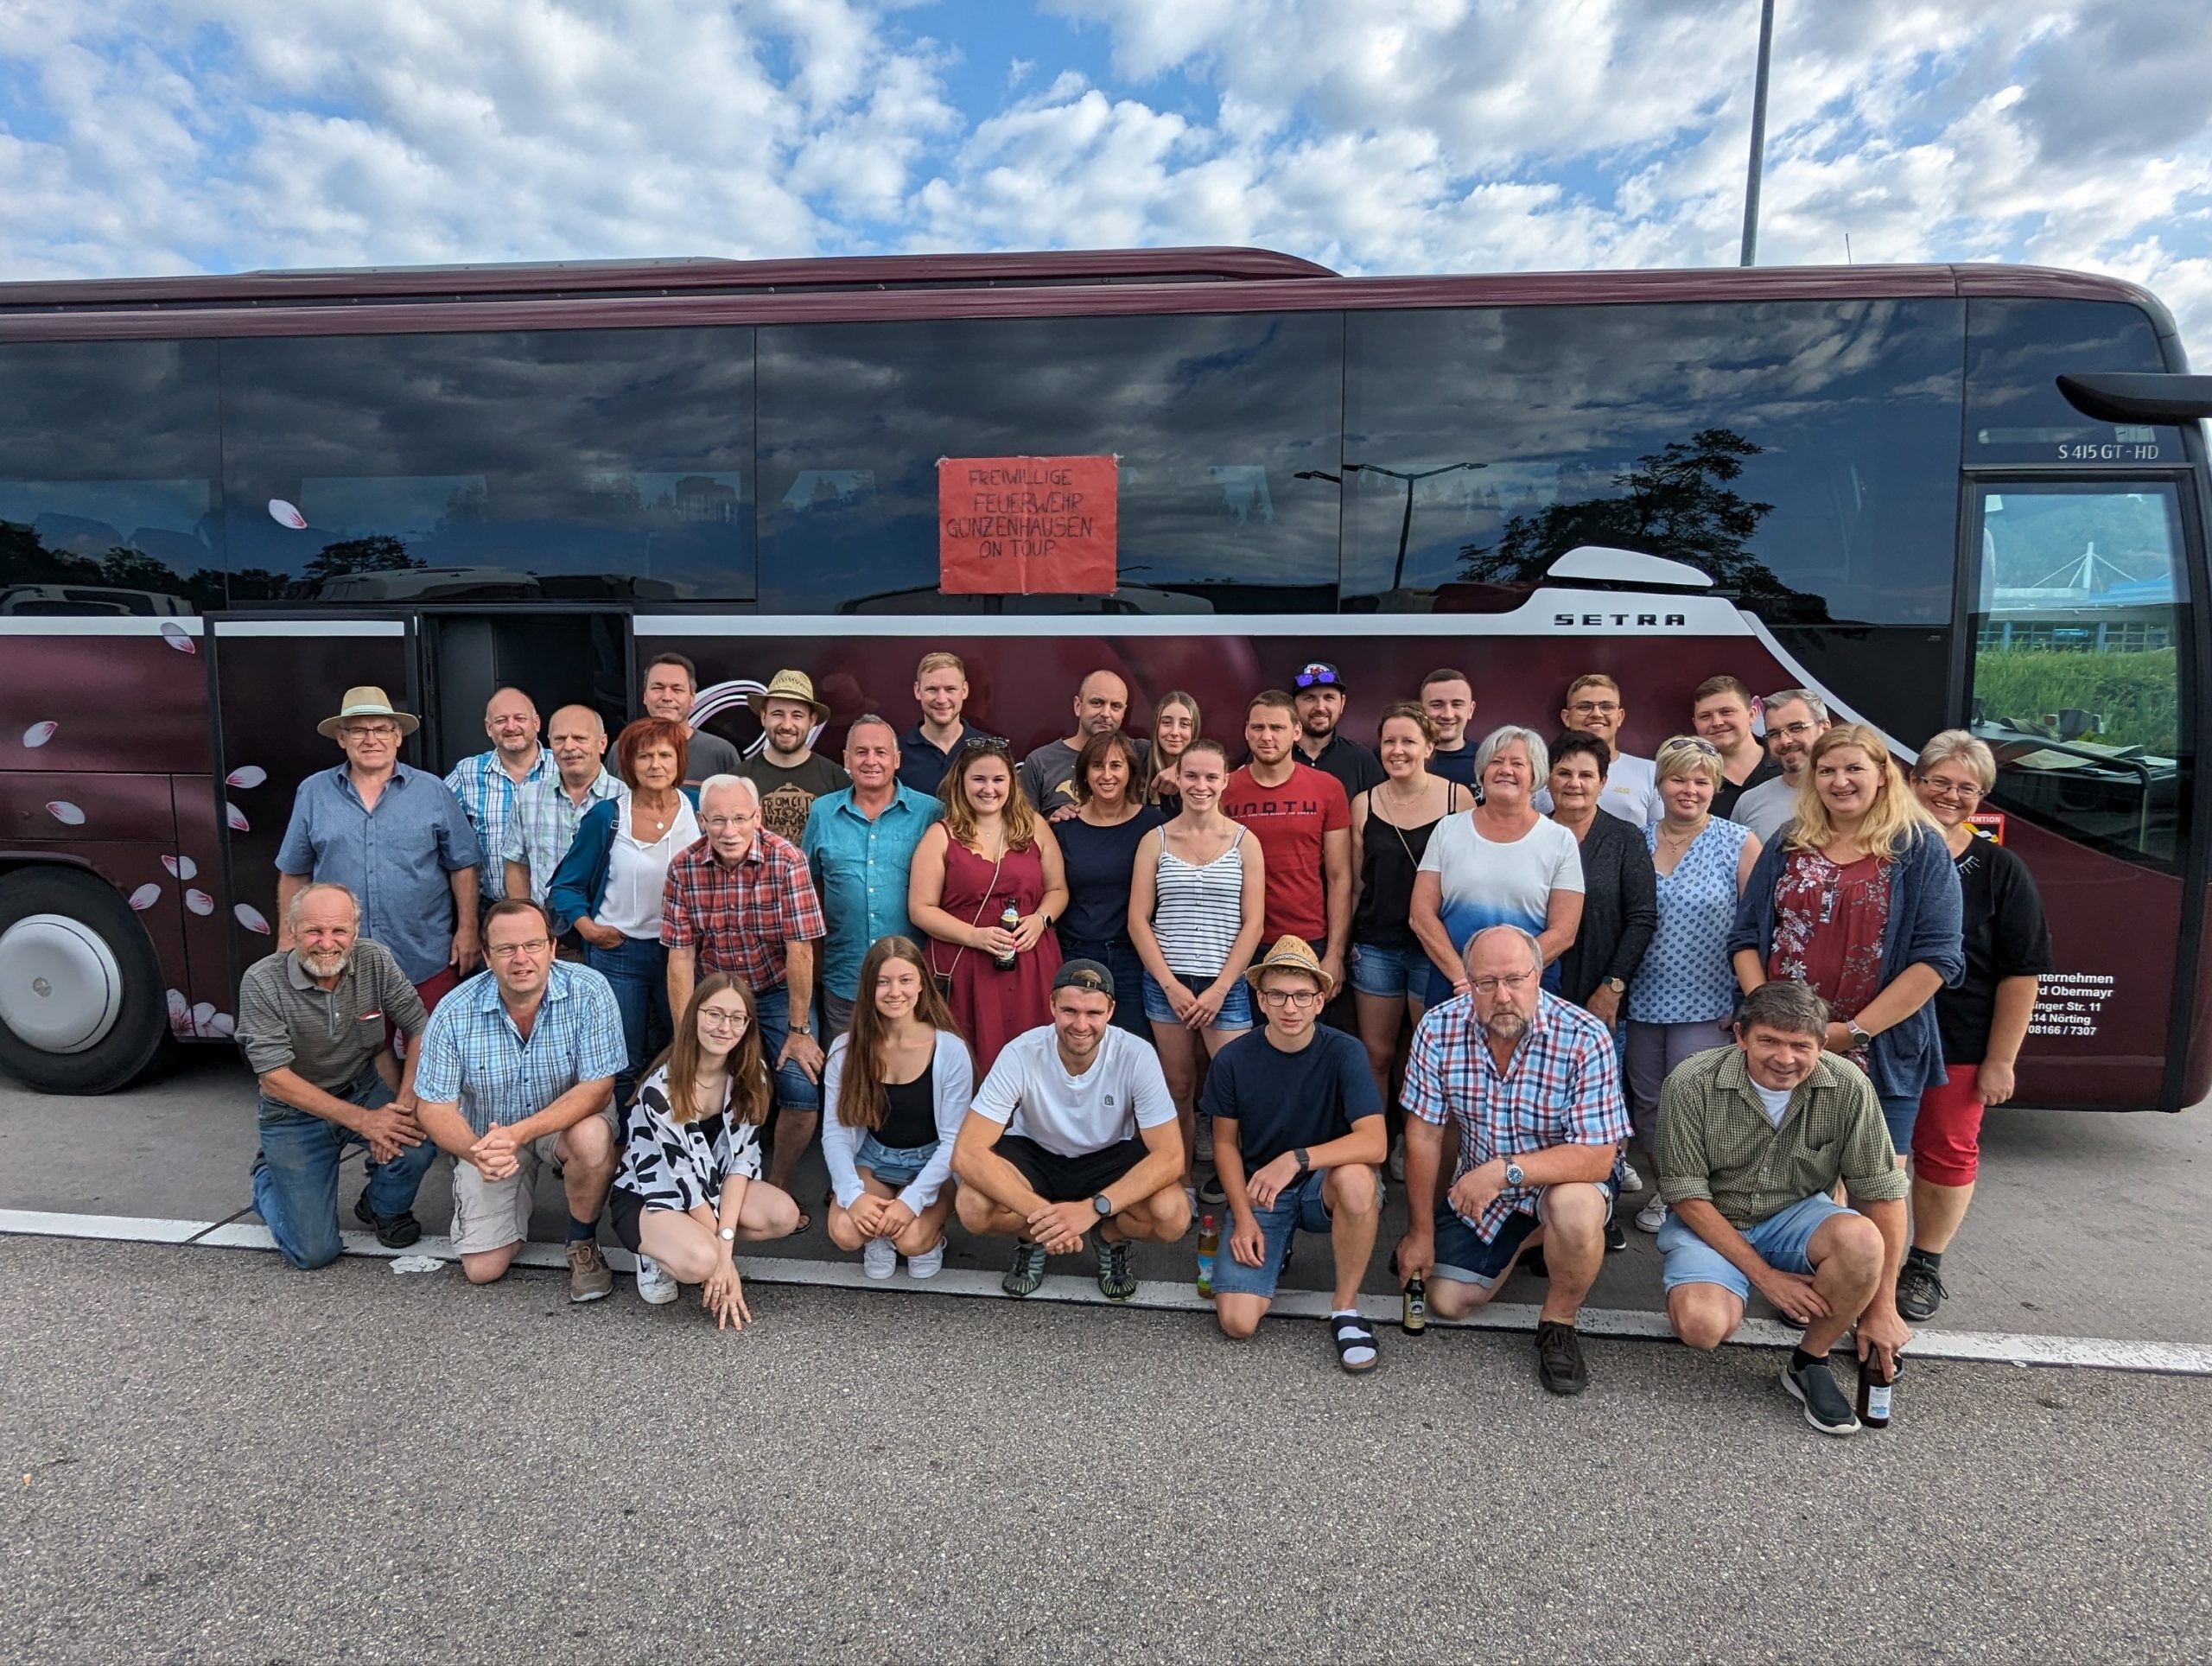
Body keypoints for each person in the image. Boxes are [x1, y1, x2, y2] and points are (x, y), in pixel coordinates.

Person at [1655, 978, 1912, 1437]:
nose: (1784, 1058)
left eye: (1800, 1045)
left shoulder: (1849, 1086)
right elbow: (1686, 1195)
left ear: (1822, 1044)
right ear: (1740, 1036)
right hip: (1713, 1216)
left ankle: (1809, 1361)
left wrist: (1881, 1308)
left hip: (1797, 1214)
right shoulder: (1691, 1081)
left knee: (1862, 1241)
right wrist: (1767, 1278)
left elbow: (1882, 1193)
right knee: (1702, 1327)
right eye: (1769, 1041)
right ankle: (1730, 1282)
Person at [1394, 925, 1629, 1396]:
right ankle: (1533, 1238)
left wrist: (1505, 1172)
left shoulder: (1585, 1036)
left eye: (1515, 980)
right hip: (1485, 1181)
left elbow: (1598, 1158)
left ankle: (1559, 1323)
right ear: (1467, 981)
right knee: (1446, 1300)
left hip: (1565, 1179)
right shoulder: (1437, 1028)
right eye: (1486, 982)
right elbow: (1424, 1135)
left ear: (1538, 976)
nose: (1502, 996)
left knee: (1573, 1210)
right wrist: (1420, 1231)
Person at [1730, 723, 1965, 1155]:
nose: (1840, 782)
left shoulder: (1919, 848)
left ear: (1883, 774)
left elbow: (1937, 959)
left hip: (1879, 1048)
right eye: (1826, 771)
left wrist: (1853, 1033)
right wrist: (1771, 1021)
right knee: (1778, 1175)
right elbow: (1745, 937)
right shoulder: (1788, 841)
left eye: (1854, 768)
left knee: (1874, 1182)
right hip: (1784, 1050)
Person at [1897, 731, 2054, 1322]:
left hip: (1960, 1040)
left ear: (1981, 797)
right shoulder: (1878, 852)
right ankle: (1843, 1261)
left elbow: (2022, 973)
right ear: (1913, 781)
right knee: (1857, 1153)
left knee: (1946, 1153)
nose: (1950, 795)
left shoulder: (2000, 869)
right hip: (1877, 1034)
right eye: (1939, 781)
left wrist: (2001, 1061)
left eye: (1967, 787)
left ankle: (1924, 1264)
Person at [410, 900, 628, 1300]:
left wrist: (520, 1133)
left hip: (562, 1124)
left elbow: (598, 1087)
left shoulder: (590, 990)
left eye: (532, 945)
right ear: (488, 957)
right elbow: (434, 1106)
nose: (521, 958)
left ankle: (582, 1241)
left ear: (552, 947)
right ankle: (506, 1202)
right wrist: (476, 1153)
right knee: (483, 1268)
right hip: (489, 1136)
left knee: (593, 1138)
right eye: (507, 949)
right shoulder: (453, 1011)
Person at [952, 960, 1191, 1298]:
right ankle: (1034, 1238)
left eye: (1093, 1013)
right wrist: (1046, 1219)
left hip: (1109, 1155)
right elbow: (966, 1153)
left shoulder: (1136, 1054)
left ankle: (1109, 1237)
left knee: (1173, 1216)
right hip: (1036, 1153)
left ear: (1111, 1011)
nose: (1081, 1025)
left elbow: (1171, 1157)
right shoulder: (1021, 1052)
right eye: (1069, 1011)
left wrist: (1093, 1210)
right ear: (1052, 1005)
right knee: (972, 1207)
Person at [1206, 938, 1388, 1374]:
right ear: (1261, 1000)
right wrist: (1242, 1217)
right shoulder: (1232, 1058)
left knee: (1357, 1179)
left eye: (1302, 996)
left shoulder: (1345, 1051)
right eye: (1278, 995)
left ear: (1320, 1001)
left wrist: (1298, 1158)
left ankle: (1346, 1310)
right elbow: (1224, 1144)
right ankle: (1277, 1246)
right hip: (1263, 1190)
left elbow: (1376, 1143)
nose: (1290, 1007)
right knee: (1237, 1322)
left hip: (1321, 1184)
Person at [238, 881, 437, 1268]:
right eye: (314, 930)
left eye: (339, 930)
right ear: (292, 930)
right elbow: (273, 1076)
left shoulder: (375, 959)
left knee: (417, 1142)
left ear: (355, 932)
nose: (327, 943)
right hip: (293, 1112)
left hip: (361, 1088)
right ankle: (268, 1178)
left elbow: (420, 1027)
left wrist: (401, 1108)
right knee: (313, 1252)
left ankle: (381, 1207)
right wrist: (366, 1122)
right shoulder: (261, 981)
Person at [662, 773, 829, 1200]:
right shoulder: (682, 867)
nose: (729, 831)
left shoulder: (787, 861)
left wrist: (799, 1030)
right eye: (717, 820)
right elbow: (680, 958)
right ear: (702, 821)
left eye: (739, 818)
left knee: (801, 1089)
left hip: (776, 989)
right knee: (694, 1081)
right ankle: (707, 1184)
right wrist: (684, 1036)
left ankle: (776, 1184)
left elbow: (801, 950)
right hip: (716, 992)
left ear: (758, 817)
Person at [275, 684, 480, 1013]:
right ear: (341, 738)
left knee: (428, 1039)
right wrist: (288, 937)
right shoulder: (313, 792)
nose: (371, 739)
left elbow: (463, 865)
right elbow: (294, 871)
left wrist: (468, 930)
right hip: (340, 961)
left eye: (381, 729)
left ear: (397, 736)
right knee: (357, 1044)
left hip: (425, 956)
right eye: (358, 730)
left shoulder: (433, 791)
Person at [1625, 734, 1761, 1234]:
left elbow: (1757, 927)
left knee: (1696, 1105)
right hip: (1640, 999)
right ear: (1659, 784)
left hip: (1710, 1002)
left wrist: (1746, 999)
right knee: (1648, 1103)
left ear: (1716, 786)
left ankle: (1697, 1198)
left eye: (1701, 781)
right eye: (1678, 779)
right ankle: (1668, 1186)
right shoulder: (1634, 840)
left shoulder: (1738, 841)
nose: (1689, 790)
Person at [610, 972, 802, 1318]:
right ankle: (655, 1250)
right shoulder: (661, 1088)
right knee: (702, 1261)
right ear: (694, 1015)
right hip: (650, 1196)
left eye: (736, 1018)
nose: (724, 1027)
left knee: (783, 1215)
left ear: (747, 1026)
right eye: (714, 1014)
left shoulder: (752, 1074)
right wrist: (724, 1267)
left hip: (713, 1185)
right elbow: (686, 1183)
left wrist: (725, 1250)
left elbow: (742, 1163)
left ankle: (696, 1244)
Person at [1129, 739, 1268, 1200]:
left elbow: (1254, 923)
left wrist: (1221, 988)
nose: (1200, 785)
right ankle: (1180, 1179)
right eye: (1191, 776)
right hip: (1167, 983)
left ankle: (1239, 1183)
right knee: (1178, 1086)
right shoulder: (1155, 840)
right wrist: (1169, 984)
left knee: (1236, 1088)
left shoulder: (1246, 842)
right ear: (1178, 778)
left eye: (1211, 777)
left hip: (1224, 984)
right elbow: (1138, 921)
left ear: (1226, 781)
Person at [546, 718, 701, 1109]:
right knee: (621, 1059)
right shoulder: (608, 816)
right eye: (644, 756)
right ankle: (622, 1138)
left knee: (687, 1047)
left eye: (665, 755)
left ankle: (678, 1131)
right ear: (629, 764)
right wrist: (589, 930)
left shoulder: (699, 810)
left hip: (685, 954)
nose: (655, 765)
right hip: (620, 954)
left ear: (679, 760)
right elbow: (565, 886)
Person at [1347, 703, 1465, 1175]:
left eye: (1409, 741)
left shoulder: (1458, 799)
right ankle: (1374, 1153)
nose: (1397, 750)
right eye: (1389, 741)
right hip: (1376, 946)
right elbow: (1355, 884)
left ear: (1429, 747)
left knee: (1427, 1057)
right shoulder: (1364, 803)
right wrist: (1341, 948)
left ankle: (1419, 1153)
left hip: (1434, 950)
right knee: (1376, 1055)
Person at [821, 936, 975, 1280]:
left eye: (905, 980)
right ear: (868, 988)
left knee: (912, 1241)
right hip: (874, 1158)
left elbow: (954, 1140)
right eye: (883, 982)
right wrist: (852, 1196)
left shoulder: (950, 1050)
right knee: (845, 1231)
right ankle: (880, 1234)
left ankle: (927, 1237)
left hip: (931, 1158)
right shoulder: (845, 1050)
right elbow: (835, 1132)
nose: (895, 992)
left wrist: (912, 1201)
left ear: (921, 984)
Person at [909, 737, 1066, 1072]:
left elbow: (1058, 889)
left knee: (1036, 1060)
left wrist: (1040, 919)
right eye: (979, 779)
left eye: (998, 779)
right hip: (966, 964)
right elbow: (920, 908)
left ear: (1012, 782)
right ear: (961, 780)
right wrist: (975, 936)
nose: (989, 789)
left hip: (1030, 961)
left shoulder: (1034, 826)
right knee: (973, 1059)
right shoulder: (941, 835)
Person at [1409, 727, 1584, 1008]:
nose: (1506, 770)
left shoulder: (1560, 840)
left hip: (1528, 989)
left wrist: (1506, 978)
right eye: (1496, 761)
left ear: (1536, 775)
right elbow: (1421, 916)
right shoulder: (1448, 829)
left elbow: (1564, 931)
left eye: (1518, 763)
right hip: (1454, 985)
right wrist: (1464, 977)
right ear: (1482, 772)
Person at [802, 715, 942, 1040]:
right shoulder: (823, 812)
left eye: (881, 752)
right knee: (845, 1068)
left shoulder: (931, 813)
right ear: (846, 759)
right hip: (844, 981)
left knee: (910, 1067)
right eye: (861, 752)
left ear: (897, 759)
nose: (871, 761)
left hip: (913, 984)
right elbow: (809, 892)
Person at [1219, 690, 1352, 994]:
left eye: (1277, 728)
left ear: (1296, 731)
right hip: (1239, 941)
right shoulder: (1224, 789)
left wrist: (1335, 953)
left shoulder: (1328, 788)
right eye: (1258, 727)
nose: (1267, 737)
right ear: (1246, 731)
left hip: (1308, 938)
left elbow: (1339, 876)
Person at [1053, 730, 1166, 1039]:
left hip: (1134, 958)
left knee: (1134, 1046)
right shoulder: (1064, 828)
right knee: (1079, 1043)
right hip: (1076, 953)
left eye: (1116, 765)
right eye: (1097, 766)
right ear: (1084, 773)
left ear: (1130, 771)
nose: (1107, 775)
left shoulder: (1155, 826)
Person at [1546, 729, 1658, 1028]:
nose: (1574, 783)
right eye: (1564, 773)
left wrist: (1613, 987)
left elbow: (1642, 918)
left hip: (1601, 1001)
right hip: (1534, 997)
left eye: (1586, 775)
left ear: (1603, 782)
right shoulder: (1531, 835)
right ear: (1547, 779)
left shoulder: (1625, 838)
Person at [501, 703, 620, 918]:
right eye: (559, 739)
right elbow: (517, 865)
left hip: (607, 927)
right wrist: (527, 920)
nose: (569, 747)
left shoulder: (625, 798)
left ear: (602, 743)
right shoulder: (528, 798)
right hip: (546, 929)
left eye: (580, 738)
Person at [444, 685, 546, 904]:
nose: (511, 727)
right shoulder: (467, 773)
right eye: (501, 721)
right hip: (492, 908)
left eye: (520, 718)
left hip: (558, 912)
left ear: (536, 723)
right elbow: (434, 825)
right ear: (489, 728)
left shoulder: (561, 768)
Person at [1018, 669, 1147, 819]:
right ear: (1078, 706)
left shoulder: (1141, 753)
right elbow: (1020, 827)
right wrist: (1050, 826)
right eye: (1097, 703)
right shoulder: (1040, 762)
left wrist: (1171, 768)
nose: (1106, 713)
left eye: (1115, 706)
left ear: (1124, 712)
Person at [741, 668, 849, 846]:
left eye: (797, 715)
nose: (787, 725)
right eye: (778, 714)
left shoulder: (837, 780)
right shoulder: (739, 779)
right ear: (763, 716)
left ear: (812, 720)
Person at [1543, 673, 1661, 827]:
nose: (1596, 714)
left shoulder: (1651, 772)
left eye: (1607, 707)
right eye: (1584, 707)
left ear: (1620, 717)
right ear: (1566, 717)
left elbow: (1660, 833)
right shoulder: (1541, 772)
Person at [1729, 688, 1830, 847]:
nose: (1785, 741)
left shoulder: (1849, 795)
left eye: (1796, 728)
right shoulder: (1749, 802)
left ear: (1824, 729)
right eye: (1774, 734)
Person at [898, 651, 993, 796]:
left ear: (964, 690)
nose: (941, 699)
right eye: (932, 689)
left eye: (950, 689)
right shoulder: (897, 753)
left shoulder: (989, 749)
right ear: (917, 691)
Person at [640, 652, 741, 785]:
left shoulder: (721, 753)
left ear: (692, 698)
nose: (667, 697)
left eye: (677, 689)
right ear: (645, 696)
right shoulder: (624, 749)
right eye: (658, 688)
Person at [1290, 661, 1384, 799]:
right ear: (1292, 705)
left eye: (1329, 698)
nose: (1320, 707)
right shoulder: (1274, 757)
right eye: (1309, 698)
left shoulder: (1363, 760)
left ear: (1342, 703)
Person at [1691, 675, 1780, 818]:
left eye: (1726, 712)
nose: (1717, 722)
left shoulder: (1787, 765)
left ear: (1752, 714)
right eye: (1705, 716)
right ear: (1695, 723)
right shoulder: (1690, 782)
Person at [1419, 668, 1480, 789]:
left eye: (1457, 704)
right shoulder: (1403, 759)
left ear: (1471, 710)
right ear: (1421, 710)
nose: (1448, 715)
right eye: (1437, 705)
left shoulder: (1488, 761)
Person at [1144, 689, 1200, 813]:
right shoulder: (1141, 753)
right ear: (1156, 726)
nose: (1175, 732)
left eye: (1184, 724)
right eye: (1166, 722)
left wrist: (1182, 767)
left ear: (1194, 731)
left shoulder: (1202, 772)